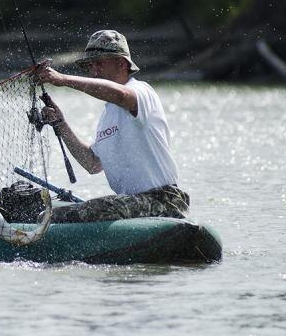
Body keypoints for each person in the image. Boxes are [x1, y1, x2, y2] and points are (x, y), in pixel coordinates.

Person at [37, 29, 189, 222]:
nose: (94, 72)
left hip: (165, 202)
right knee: (47, 213)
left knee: (52, 217)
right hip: (130, 204)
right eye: (90, 66)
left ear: (121, 63)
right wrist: (61, 123)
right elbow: (92, 164)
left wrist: (63, 79)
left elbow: (120, 95)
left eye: (99, 63)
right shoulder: (107, 116)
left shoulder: (141, 91)